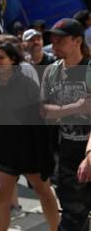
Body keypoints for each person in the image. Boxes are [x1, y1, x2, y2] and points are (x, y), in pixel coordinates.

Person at [0, 41, 59, 231]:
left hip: (30, 150)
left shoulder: (26, 85)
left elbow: (39, 123)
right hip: (3, 150)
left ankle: (56, 229)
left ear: (13, 60)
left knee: (43, 191)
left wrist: (45, 157)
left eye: (1, 57)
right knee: (0, 195)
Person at [39, 18, 91, 231]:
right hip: (67, 153)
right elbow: (44, 112)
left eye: (60, 40)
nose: (54, 44)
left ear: (78, 40)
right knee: (72, 215)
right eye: (52, 39)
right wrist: (76, 107)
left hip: (88, 150)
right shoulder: (52, 72)